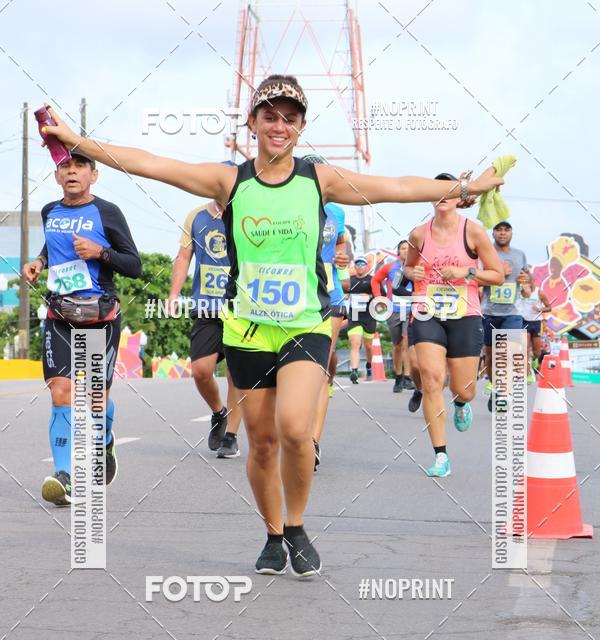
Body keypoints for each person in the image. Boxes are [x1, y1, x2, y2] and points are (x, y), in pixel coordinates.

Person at [41, 78, 502, 570]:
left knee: (295, 430)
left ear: (301, 126)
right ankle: (272, 532)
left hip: (304, 325)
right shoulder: (229, 181)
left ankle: (298, 524)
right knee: (260, 443)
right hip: (246, 330)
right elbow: (151, 164)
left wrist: (464, 187)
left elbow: (396, 187)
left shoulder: (318, 180)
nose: (280, 125)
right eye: (270, 115)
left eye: (290, 117)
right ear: (253, 123)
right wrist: (76, 141)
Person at [22, 150, 141, 505]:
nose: (71, 172)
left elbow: (133, 264)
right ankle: (66, 476)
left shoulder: (107, 213)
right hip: (60, 315)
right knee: (61, 391)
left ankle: (103, 440)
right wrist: (40, 262)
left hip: (98, 317)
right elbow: (52, 245)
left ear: (94, 174)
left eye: (79, 167)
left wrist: (99, 252)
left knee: (94, 401)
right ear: (57, 176)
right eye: (64, 167)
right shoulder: (49, 212)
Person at [404, 173, 504, 477]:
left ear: (459, 198)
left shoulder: (473, 232)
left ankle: (462, 403)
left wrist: (466, 272)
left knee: (464, 389)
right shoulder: (419, 234)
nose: (442, 195)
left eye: (450, 190)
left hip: (465, 314)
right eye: (438, 190)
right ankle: (440, 456)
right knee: (432, 380)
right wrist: (413, 274)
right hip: (427, 312)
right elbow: (407, 267)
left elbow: (497, 274)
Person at [167, 180, 243, 458]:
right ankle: (218, 412)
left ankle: (231, 436)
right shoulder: (197, 217)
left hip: (241, 308)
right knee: (200, 370)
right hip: (206, 306)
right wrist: (174, 294)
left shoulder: (246, 213)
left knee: (237, 372)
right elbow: (184, 256)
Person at [303, 154, 351, 471]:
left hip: (329, 297)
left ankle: (312, 443)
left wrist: (343, 256)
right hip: (291, 300)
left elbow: (342, 244)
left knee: (319, 370)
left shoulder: (336, 211)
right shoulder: (283, 208)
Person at [480, 221, 532, 411]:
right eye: (499, 230)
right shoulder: (485, 253)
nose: (503, 233)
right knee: (491, 357)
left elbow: (527, 285)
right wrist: (499, 273)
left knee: (508, 351)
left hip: (513, 312)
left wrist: (526, 284)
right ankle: (495, 388)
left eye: (506, 230)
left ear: (511, 233)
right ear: (493, 233)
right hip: (489, 312)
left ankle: (503, 392)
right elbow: (476, 278)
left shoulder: (520, 255)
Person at [371, 240, 413, 393]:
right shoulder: (390, 267)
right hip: (393, 309)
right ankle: (398, 376)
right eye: (402, 248)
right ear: (398, 252)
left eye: (408, 249)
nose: (405, 251)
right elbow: (375, 280)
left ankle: (408, 378)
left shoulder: (415, 268)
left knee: (407, 341)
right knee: (398, 345)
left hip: (410, 309)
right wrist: (379, 299)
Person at [346, 257, 377, 383]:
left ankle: (369, 366)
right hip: (354, 316)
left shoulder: (372, 280)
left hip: (369, 317)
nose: (359, 266)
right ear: (354, 266)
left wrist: (370, 296)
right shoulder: (350, 281)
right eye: (357, 264)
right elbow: (344, 292)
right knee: (355, 343)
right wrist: (345, 294)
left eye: (362, 264)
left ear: (366, 266)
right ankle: (354, 371)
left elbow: (382, 296)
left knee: (369, 346)